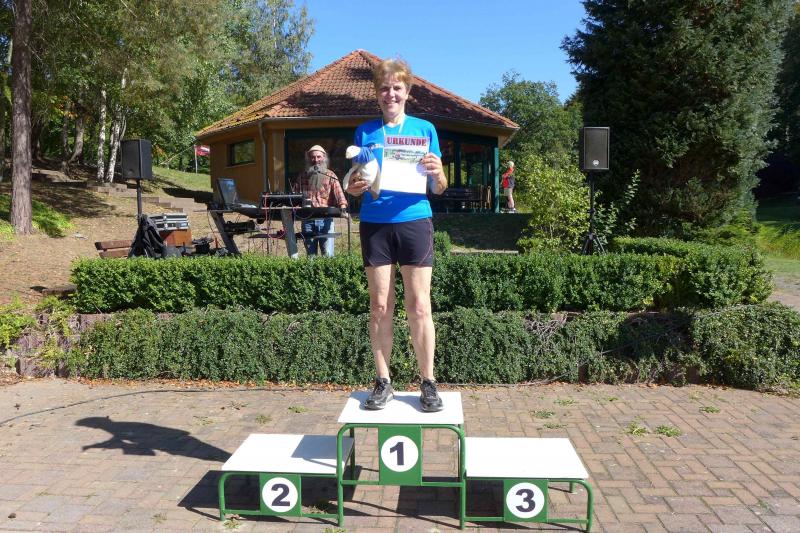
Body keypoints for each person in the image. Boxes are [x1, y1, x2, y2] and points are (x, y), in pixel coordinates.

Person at [346, 58, 448, 413]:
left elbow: (439, 187)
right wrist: (355, 186)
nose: (390, 94)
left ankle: (428, 382)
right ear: (377, 93)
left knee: (419, 305)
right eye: (384, 88)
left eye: (396, 88)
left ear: (407, 92)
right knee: (379, 306)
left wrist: (438, 172)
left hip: (414, 220)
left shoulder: (425, 129)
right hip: (375, 223)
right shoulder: (365, 132)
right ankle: (383, 381)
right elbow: (357, 181)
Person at [291, 145, 348, 257]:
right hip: (307, 220)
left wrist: (343, 208)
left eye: (318, 157)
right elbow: (294, 197)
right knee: (311, 257)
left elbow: (340, 195)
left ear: (324, 158)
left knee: (328, 256)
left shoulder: (330, 175)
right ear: (309, 159)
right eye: (313, 157)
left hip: (326, 220)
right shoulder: (302, 176)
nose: (316, 160)